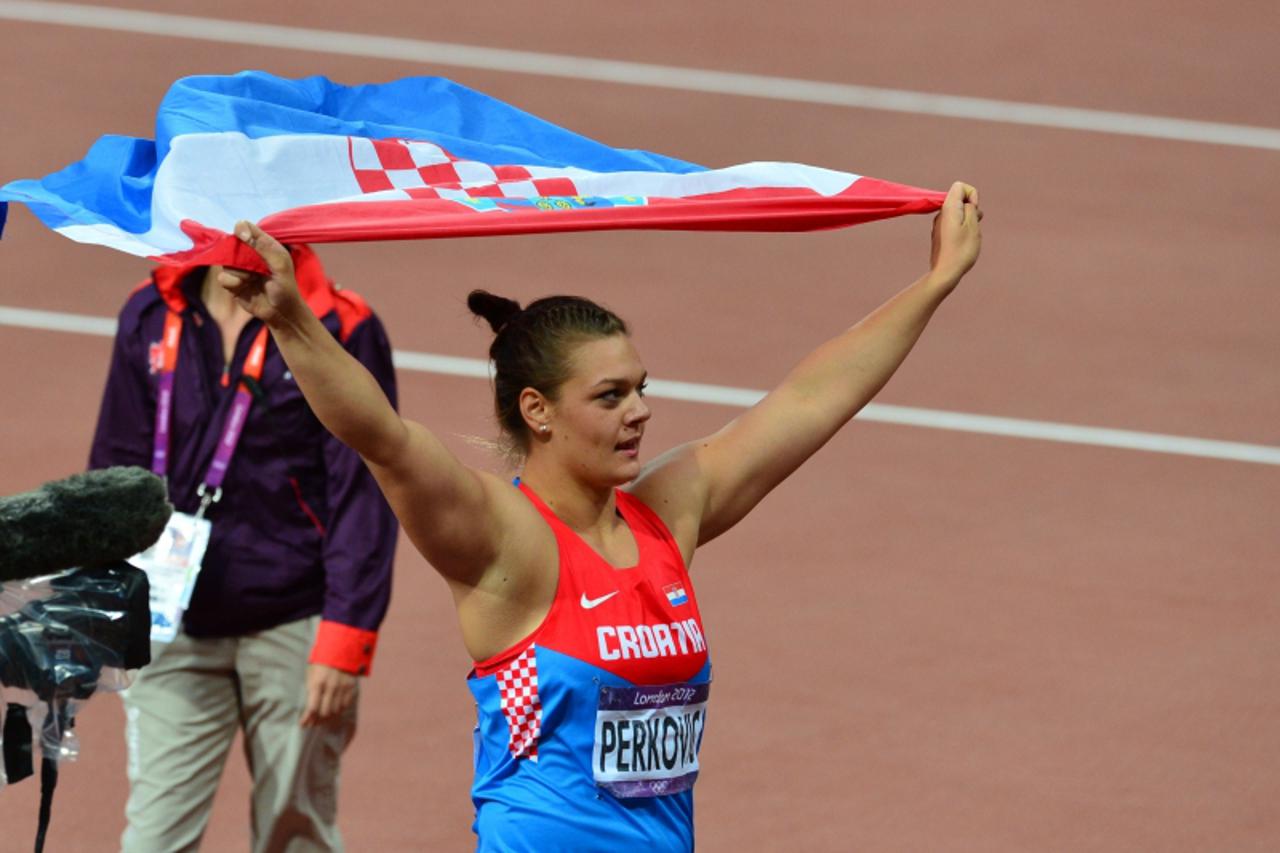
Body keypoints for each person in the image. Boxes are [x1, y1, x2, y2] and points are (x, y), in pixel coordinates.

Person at [218, 181, 983, 851]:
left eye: (640, 388)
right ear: (537, 411)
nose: (641, 412)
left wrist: (935, 282)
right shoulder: (505, 543)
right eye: (610, 396)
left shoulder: (666, 514)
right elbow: (383, 438)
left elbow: (807, 401)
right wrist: (291, 319)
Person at [89, 245, 399, 852]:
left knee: (297, 835)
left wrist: (343, 641)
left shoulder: (340, 326)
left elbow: (363, 491)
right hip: (171, 624)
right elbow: (115, 466)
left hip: (295, 625)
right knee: (153, 838)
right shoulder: (150, 311)